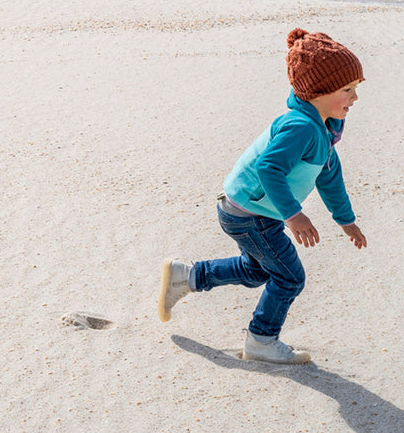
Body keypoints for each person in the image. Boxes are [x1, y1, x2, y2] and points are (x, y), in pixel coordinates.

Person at [156, 29, 369, 365]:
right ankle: (262, 340)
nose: (355, 97)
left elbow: (329, 176)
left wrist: (346, 221)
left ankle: (188, 276)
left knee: (257, 271)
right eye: (346, 89)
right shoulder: (300, 127)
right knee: (289, 276)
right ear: (318, 91)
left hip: (250, 210)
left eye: (357, 87)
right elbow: (269, 169)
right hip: (251, 213)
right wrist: (294, 215)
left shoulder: (323, 128)